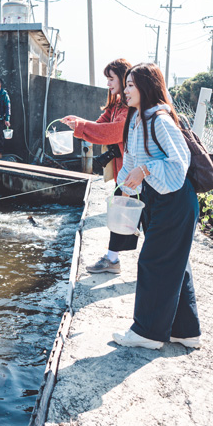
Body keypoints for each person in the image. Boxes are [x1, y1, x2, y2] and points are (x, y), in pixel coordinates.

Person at [111, 63, 201, 350]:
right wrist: (124, 188)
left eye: (131, 86)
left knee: (154, 262)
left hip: (174, 201)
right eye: (125, 85)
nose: (125, 91)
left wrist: (145, 172)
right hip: (160, 200)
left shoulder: (158, 120)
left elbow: (179, 163)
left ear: (147, 87)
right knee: (175, 264)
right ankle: (185, 331)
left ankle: (147, 333)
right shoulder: (139, 118)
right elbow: (132, 163)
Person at [61, 58, 134, 274]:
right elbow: (101, 125)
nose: (108, 84)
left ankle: (115, 259)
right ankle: (113, 259)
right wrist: (78, 121)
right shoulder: (116, 104)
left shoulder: (129, 106)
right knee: (124, 214)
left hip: (135, 172)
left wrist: (81, 127)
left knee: (133, 216)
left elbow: (111, 132)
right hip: (127, 172)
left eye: (111, 79)